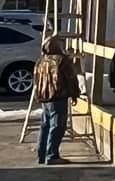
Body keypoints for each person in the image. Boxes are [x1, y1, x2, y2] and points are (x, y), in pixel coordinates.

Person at [33, 35, 81, 167]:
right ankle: (52, 155)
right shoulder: (63, 61)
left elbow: (36, 81)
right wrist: (75, 94)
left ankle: (41, 155)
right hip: (59, 96)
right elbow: (71, 79)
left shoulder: (41, 61)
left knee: (45, 126)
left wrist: (38, 96)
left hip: (45, 97)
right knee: (57, 127)